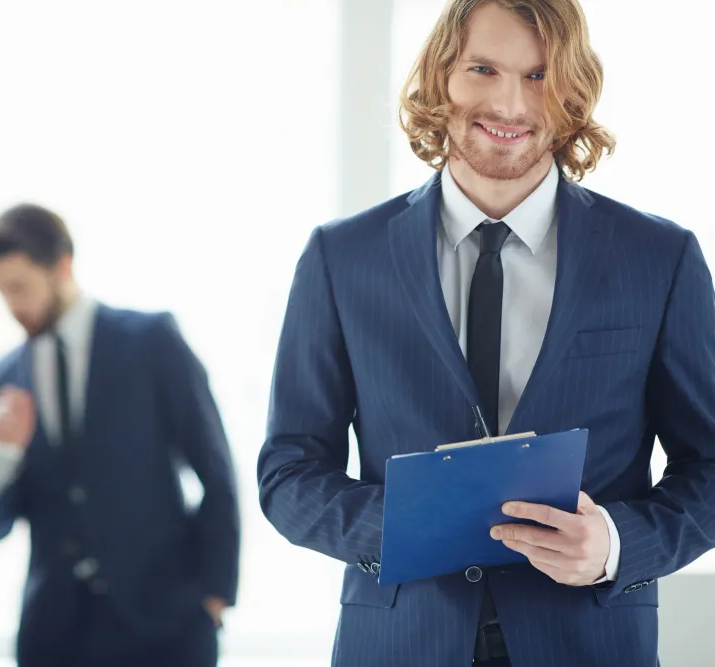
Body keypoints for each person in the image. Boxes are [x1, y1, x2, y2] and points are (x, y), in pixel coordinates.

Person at [257, 1, 715, 665]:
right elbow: (288, 470)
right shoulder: (342, 257)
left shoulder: (659, 257)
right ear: (443, 76)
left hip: (588, 642)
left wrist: (616, 541)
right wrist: (410, 528)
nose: (509, 104)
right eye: (483, 68)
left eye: (538, 76)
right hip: (398, 642)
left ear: (573, 91)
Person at [0, 203, 240, 667]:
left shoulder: (151, 340)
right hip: (53, 634)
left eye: (20, 287)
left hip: (165, 622)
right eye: (0, 291)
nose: (13, 306)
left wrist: (214, 592)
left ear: (62, 267)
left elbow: (215, 466)